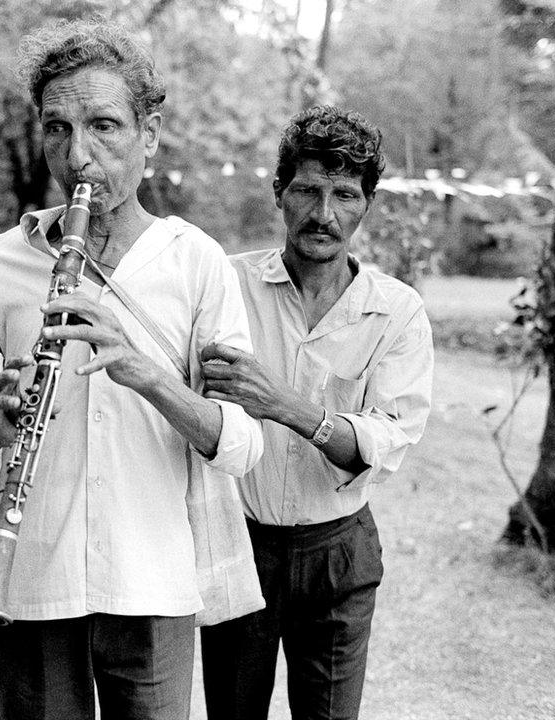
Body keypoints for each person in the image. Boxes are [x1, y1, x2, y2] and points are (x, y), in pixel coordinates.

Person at [0, 19, 263, 720]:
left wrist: (145, 372)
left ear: (150, 132)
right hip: (30, 583)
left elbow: (242, 444)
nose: (78, 156)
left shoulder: (196, 261)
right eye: (58, 129)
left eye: (104, 126)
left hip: (154, 585)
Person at [199, 105, 434, 720]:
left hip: (340, 552)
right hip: (237, 540)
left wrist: (286, 406)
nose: (323, 214)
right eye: (307, 189)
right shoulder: (225, 284)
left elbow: (389, 438)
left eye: (344, 194)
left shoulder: (397, 311)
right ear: (279, 192)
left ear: (366, 205)